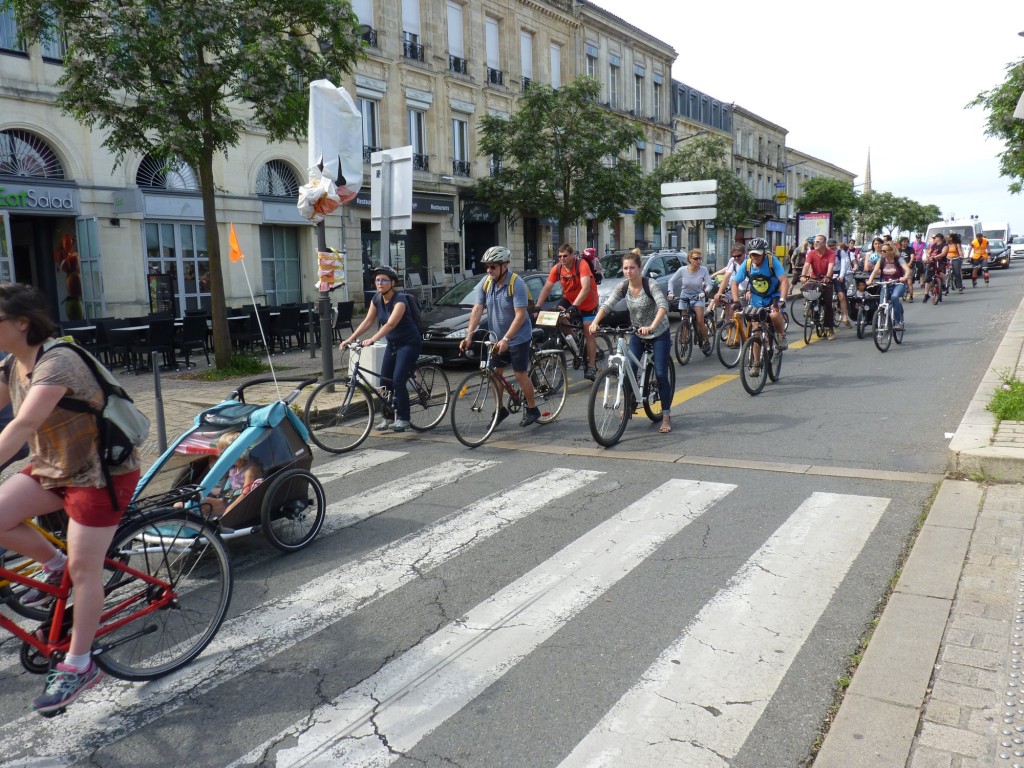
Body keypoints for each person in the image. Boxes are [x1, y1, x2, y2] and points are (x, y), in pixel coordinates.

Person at [0, 282, 141, 715]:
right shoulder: (12, 364)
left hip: (99, 472)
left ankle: (80, 666)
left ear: (22, 323)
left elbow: (22, 426)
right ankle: (53, 563)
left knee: (85, 571)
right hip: (52, 467)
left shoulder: (58, 363)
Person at [589, 250, 673, 433]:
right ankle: (631, 404)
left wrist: (652, 326)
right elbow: (607, 304)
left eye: (632, 268)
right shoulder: (623, 286)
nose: (628, 271)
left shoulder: (650, 285)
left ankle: (665, 416)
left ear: (640, 268)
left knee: (660, 374)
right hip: (637, 331)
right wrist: (595, 322)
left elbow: (663, 306)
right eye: (625, 268)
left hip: (658, 332)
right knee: (628, 370)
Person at [459, 246, 542, 427]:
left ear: (504, 266)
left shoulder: (516, 283)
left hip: (518, 336)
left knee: (520, 374)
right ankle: (500, 410)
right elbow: (477, 309)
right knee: (494, 374)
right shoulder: (486, 282)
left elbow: (520, 315)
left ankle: (532, 408)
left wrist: (507, 339)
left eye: (493, 267)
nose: (489, 271)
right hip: (497, 336)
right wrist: (469, 336)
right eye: (487, 267)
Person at [341, 265, 422, 432]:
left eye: (384, 280)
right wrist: (350, 338)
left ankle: (404, 418)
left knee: (398, 379)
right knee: (384, 381)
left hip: (409, 343)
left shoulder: (400, 300)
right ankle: (387, 416)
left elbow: (391, 324)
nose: (380, 283)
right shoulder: (377, 299)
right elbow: (367, 321)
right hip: (392, 344)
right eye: (377, 280)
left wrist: (372, 339)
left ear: (392, 282)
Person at [534, 243, 600, 381]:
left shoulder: (581, 265)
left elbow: (586, 287)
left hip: (588, 301)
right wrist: (537, 306)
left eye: (565, 256)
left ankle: (592, 367)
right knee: (556, 315)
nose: (562, 258)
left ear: (572, 256)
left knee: (588, 332)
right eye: (559, 256)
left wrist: (575, 306)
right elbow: (546, 288)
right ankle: (573, 338)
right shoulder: (557, 268)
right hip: (570, 299)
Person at [730, 237, 790, 350]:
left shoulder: (772, 262)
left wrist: (782, 299)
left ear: (764, 253)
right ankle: (756, 365)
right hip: (756, 300)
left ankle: (781, 335)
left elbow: (784, 281)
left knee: (775, 314)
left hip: (772, 297)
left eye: (758, 254)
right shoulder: (747, 264)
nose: (755, 257)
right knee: (756, 334)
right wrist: (736, 301)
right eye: (752, 254)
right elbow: (734, 283)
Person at [200, 431, 263, 516]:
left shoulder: (249, 471)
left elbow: (245, 494)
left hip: (240, 504)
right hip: (228, 499)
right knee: (200, 502)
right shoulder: (233, 468)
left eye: (224, 453)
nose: (221, 456)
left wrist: (230, 508)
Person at [667, 248, 714, 355]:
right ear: (689, 259)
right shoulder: (682, 270)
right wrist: (670, 293)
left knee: (700, 321)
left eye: (700, 258)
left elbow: (709, 284)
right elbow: (671, 281)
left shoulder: (703, 270)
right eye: (696, 258)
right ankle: (683, 342)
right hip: (685, 296)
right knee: (685, 320)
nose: (698, 261)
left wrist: (705, 292)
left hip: (698, 297)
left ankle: (706, 340)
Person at [800, 235, 837, 339]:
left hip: (826, 280)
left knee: (827, 304)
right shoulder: (811, 253)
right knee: (808, 291)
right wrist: (803, 276)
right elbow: (806, 265)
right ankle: (811, 309)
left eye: (819, 241)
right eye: (815, 241)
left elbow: (830, 267)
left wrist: (828, 277)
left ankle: (829, 328)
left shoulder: (831, 254)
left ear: (824, 243)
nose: (815, 243)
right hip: (814, 279)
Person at [867, 244, 910, 330]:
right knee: (882, 304)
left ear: (891, 251)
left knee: (894, 297)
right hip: (886, 284)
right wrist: (870, 280)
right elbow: (875, 271)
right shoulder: (881, 260)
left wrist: (904, 277)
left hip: (898, 284)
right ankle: (884, 320)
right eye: (881, 251)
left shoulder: (898, 259)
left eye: (884, 251)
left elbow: (907, 269)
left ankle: (898, 322)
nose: (882, 252)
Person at [831, 238, 852, 327]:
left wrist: (841, 275)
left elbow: (843, 264)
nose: (831, 248)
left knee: (841, 296)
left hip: (838, 274)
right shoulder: (826, 252)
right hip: (827, 275)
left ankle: (845, 316)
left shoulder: (840, 252)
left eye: (833, 246)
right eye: (829, 246)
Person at [923, 234, 948, 304]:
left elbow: (943, 253)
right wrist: (928, 256)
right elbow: (929, 252)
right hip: (932, 262)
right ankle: (926, 294)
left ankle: (943, 285)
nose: (935, 239)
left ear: (939, 238)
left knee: (941, 272)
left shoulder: (944, 245)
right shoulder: (934, 245)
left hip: (941, 262)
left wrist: (937, 256)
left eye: (936, 238)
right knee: (927, 278)